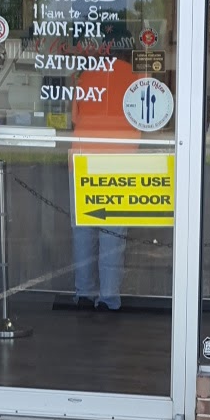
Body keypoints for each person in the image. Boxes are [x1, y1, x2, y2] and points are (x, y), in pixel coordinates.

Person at [69, 24, 140, 312]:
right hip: (120, 159)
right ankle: (109, 297)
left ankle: (84, 293)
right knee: (112, 234)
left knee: (83, 231)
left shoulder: (86, 75)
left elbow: (75, 117)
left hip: (83, 157)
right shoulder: (136, 77)